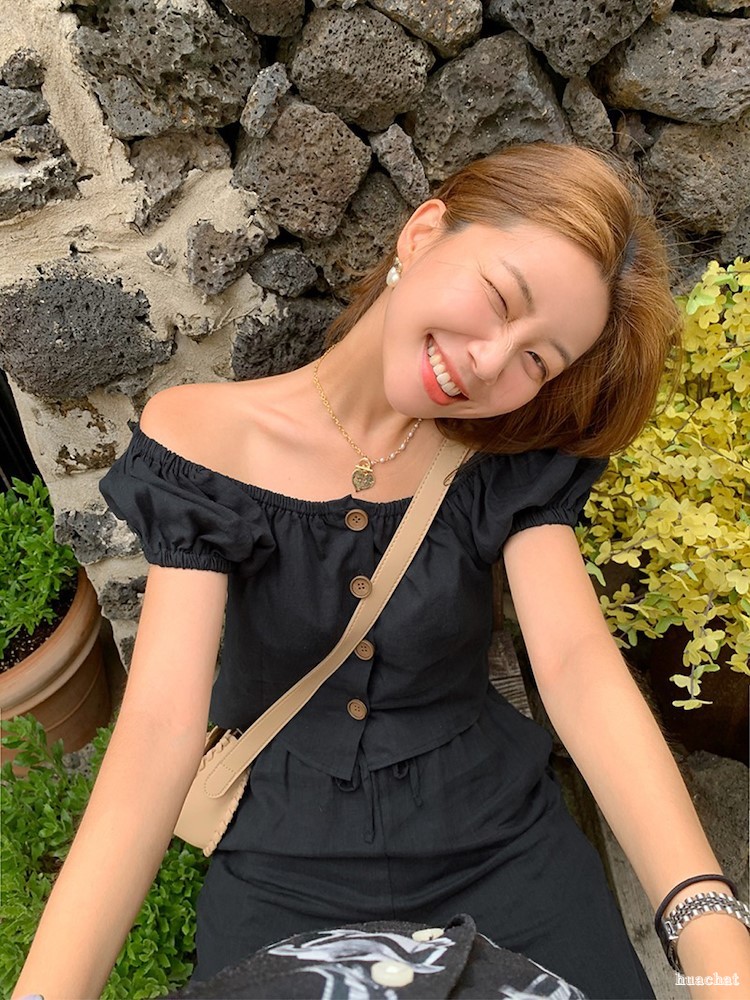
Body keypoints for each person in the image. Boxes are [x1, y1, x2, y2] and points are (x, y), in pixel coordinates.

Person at [13, 143, 750, 1000]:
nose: (490, 362)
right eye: (500, 298)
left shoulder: (506, 456)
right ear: (424, 233)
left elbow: (578, 666)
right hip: (282, 858)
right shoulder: (203, 441)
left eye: (538, 360)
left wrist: (705, 917)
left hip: (499, 840)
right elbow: (156, 733)